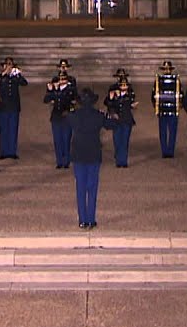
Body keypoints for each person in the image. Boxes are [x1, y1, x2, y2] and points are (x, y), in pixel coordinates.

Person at [66, 89, 117, 228]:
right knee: (92, 187)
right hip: (94, 154)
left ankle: (82, 220)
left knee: (80, 187)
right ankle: (91, 218)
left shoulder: (73, 116)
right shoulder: (98, 115)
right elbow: (112, 125)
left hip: (78, 154)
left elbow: (66, 122)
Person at [0, 57, 27, 159]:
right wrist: (5, 73)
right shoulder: (0, 77)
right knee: (4, 130)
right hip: (3, 106)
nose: (9, 66)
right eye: (7, 64)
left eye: (11, 64)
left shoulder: (15, 77)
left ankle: (12, 151)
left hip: (14, 107)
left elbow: (24, 83)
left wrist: (18, 74)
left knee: (13, 129)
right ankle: (4, 152)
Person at [44, 72, 78, 169]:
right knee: (57, 140)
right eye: (60, 79)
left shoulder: (71, 90)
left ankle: (66, 160)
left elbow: (73, 101)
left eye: (63, 79)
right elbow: (46, 100)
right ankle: (59, 161)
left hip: (66, 117)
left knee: (66, 139)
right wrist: (51, 91)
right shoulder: (54, 90)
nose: (61, 81)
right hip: (56, 117)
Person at [105, 77, 136, 168]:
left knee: (124, 141)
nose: (123, 87)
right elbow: (107, 104)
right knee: (117, 141)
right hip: (116, 121)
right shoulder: (113, 94)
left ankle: (124, 161)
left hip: (126, 120)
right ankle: (119, 160)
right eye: (122, 85)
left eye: (125, 85)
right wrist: (111, 98)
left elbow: (128, 103)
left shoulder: (129, 95)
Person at [153, 61, 180, 158]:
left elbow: (179, 93)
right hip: (162, 109)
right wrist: (157, 107)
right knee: (163, 132)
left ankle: (171, 151)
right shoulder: (158, 80)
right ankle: (164, 151)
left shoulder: (176, 79)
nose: (167, 71)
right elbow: (155, 95)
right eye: (165, 69)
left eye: (168, 69)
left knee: (173, 132)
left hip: (173, 109)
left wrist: (178, 105)